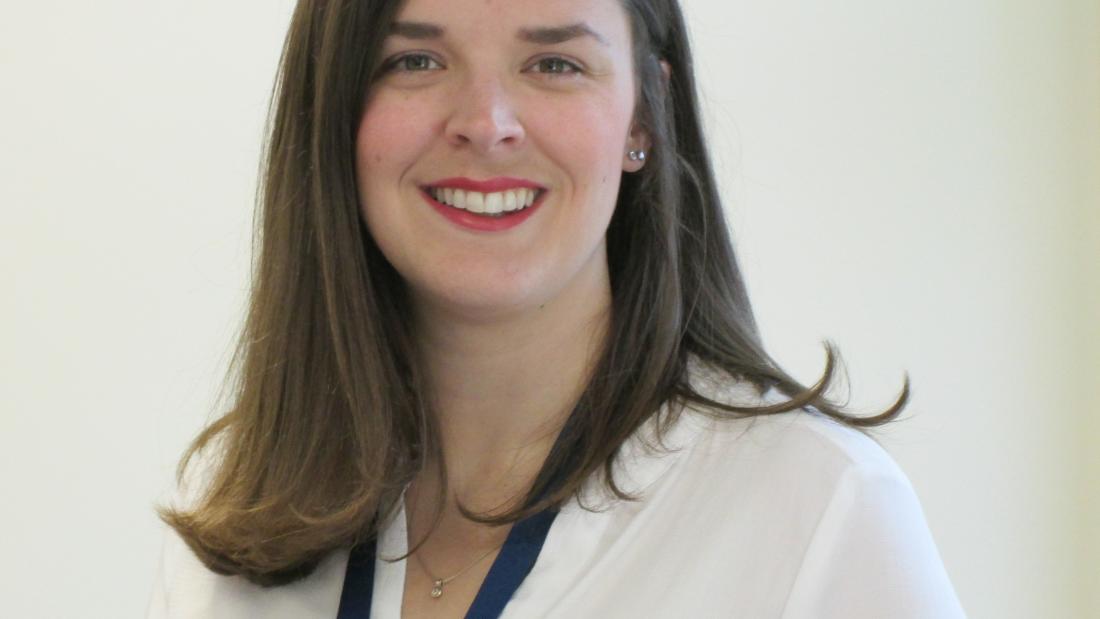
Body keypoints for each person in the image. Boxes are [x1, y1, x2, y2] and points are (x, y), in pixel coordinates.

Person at [147, 0, 966, 617]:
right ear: (334, 108)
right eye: (416, 61)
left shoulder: (821, 509)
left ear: (643, 113)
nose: (486, 124)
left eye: (555, 65)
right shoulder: (242, 523)